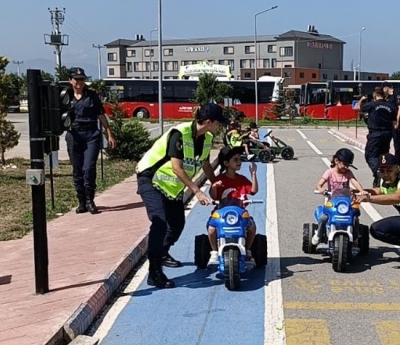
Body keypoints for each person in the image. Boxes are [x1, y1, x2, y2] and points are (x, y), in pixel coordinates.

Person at [135, 103, 227, 289]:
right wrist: (197, 191)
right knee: (160, 222)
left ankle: (162, 251)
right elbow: (177, 168)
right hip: (151, 179)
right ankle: (154, 272)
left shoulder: (207, 138)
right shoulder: (180, 133)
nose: (220, 127)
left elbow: (205, 164)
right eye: (219, 123)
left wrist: (218, 184)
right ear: (208, 122)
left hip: (171, 187)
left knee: (177, 224)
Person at [65, 67, 116, 214]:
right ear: (70, 81)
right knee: (77, 169)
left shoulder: (91, 95)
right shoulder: (65, 96)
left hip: (91, 135)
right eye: (77, 79)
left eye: (82, 79)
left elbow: (101, 114)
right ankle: (81, 202)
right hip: (74, 135)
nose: (80, 82)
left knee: (88, 168)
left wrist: (109, 133)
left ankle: (90, 200)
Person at [207, 146, 259, 267]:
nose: (239, 162)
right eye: (235, 160)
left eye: (239, 159)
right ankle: (214, 251)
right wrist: (214, 187)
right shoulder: (219, 179)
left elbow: (253, 191)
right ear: (226, 163)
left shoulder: (242, 179)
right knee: (211, 229)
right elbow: (214, 197)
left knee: (251, 228)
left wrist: (254, 174)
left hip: (239, 213)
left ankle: (248, 249)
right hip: (221, 213)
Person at [312, 148, 365, 245]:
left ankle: (355, 238)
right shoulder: (329, 172)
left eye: (348, 165)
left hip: (346, 202)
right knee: (323, 218)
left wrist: (362, 191)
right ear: (336, 161)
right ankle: (319, 235)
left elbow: (354, 181)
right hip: (332, 201)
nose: (346, 167)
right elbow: (319, 185)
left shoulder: (348, 173)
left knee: (355, 218)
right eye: (344, 164)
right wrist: (322, 190)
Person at [356, 87, 396, 187]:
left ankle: (378, 172)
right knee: (383, 156)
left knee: (370, 155)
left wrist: (361, 100)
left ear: (375, 96)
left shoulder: (372, 104)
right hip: (387, 134)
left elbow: (358, 108)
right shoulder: (390, 106)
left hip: (375, 134)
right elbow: (394, 122)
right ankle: (384, 179)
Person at [382, 81, 400, 164]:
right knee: (386, 141)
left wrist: (397, 121)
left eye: (384, 89)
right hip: (388, 122)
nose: (383, 90)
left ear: (387, 88)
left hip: (396, 122)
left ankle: (397, 162)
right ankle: (386, 160)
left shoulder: (396, 95)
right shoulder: (386, 97)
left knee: (396, 141)